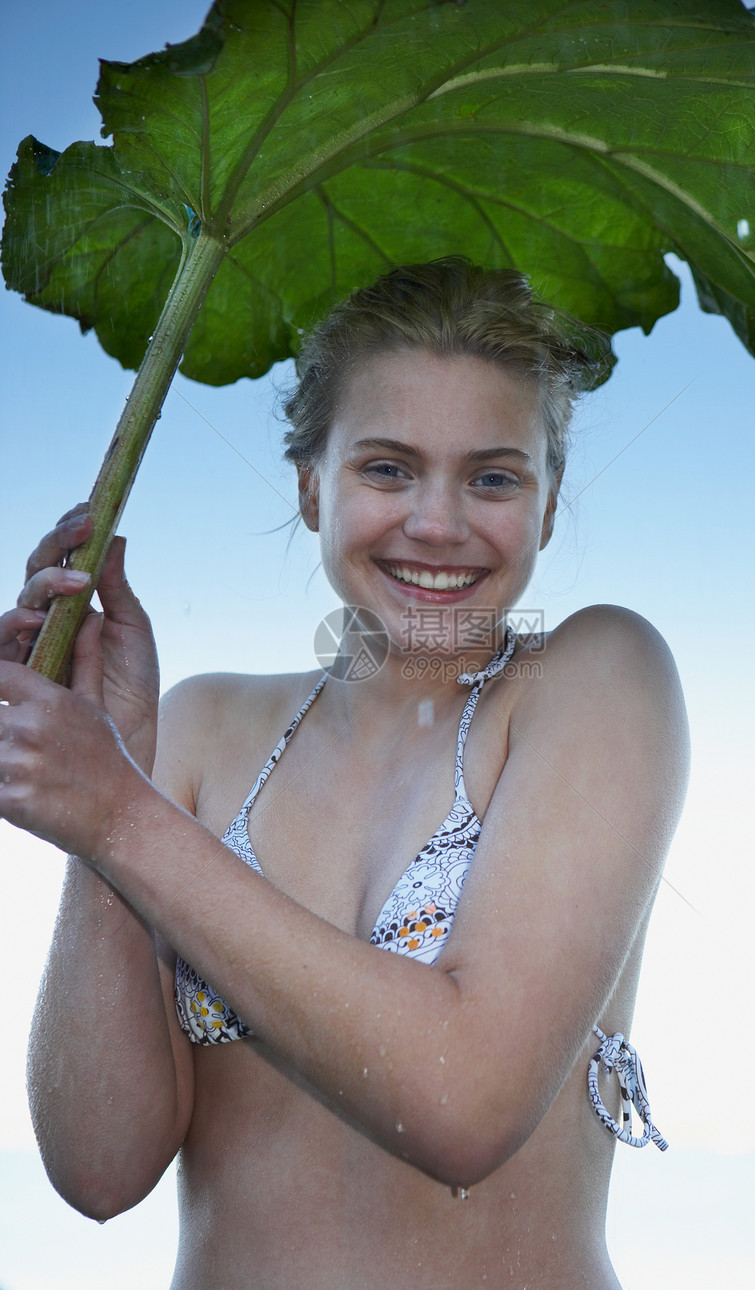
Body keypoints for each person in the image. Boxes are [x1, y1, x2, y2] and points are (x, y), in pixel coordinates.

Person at [0, 258, 689, 1289]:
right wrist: (109, 784)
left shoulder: (598, 680)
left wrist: (119, 817)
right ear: (310, 483)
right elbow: (99, 1171)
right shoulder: (198, 726)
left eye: (492, 477)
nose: (437, 522)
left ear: (546, 507)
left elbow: (462, 1106)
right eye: (386, 468)